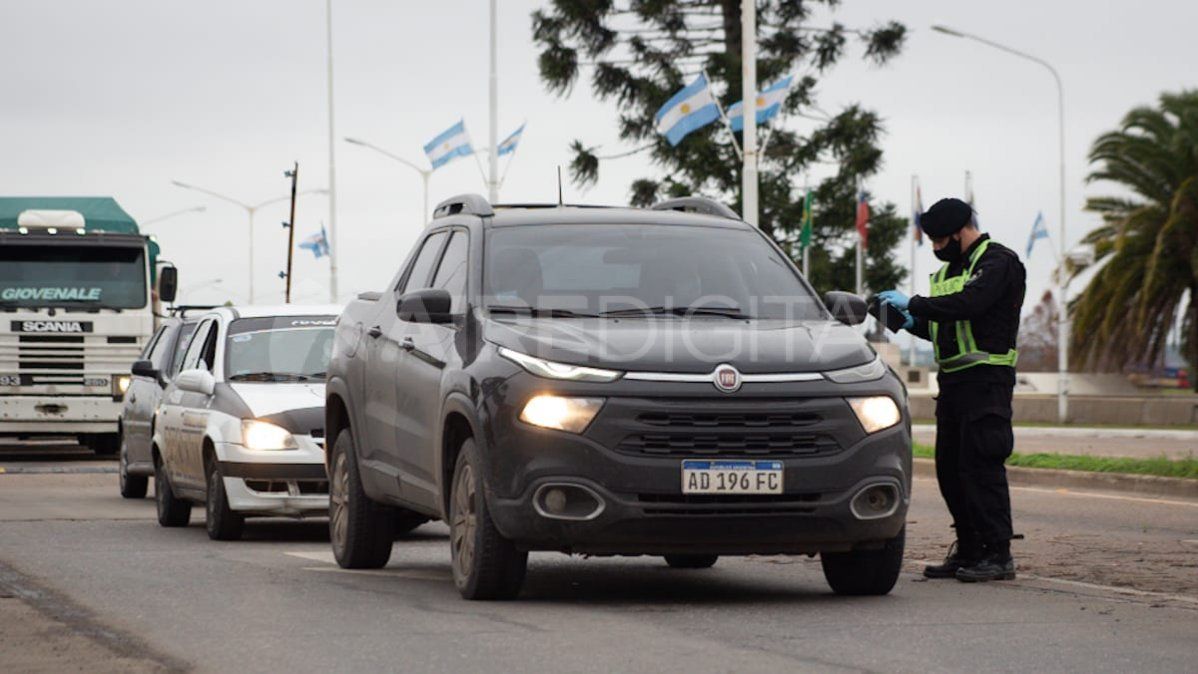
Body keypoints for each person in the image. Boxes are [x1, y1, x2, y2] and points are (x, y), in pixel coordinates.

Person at [877, 197, 1026, 583]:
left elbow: (972, 304)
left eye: (941, 240)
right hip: (955, 384)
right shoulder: (949, 273)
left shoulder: (998, 262)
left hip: (987, 381)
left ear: (961, 233)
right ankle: (970, 549)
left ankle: (998, 553)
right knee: (951, 470)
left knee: (981, 467)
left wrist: (915, 303)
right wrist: (910, 321)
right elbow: (946, 323)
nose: (936, 248)